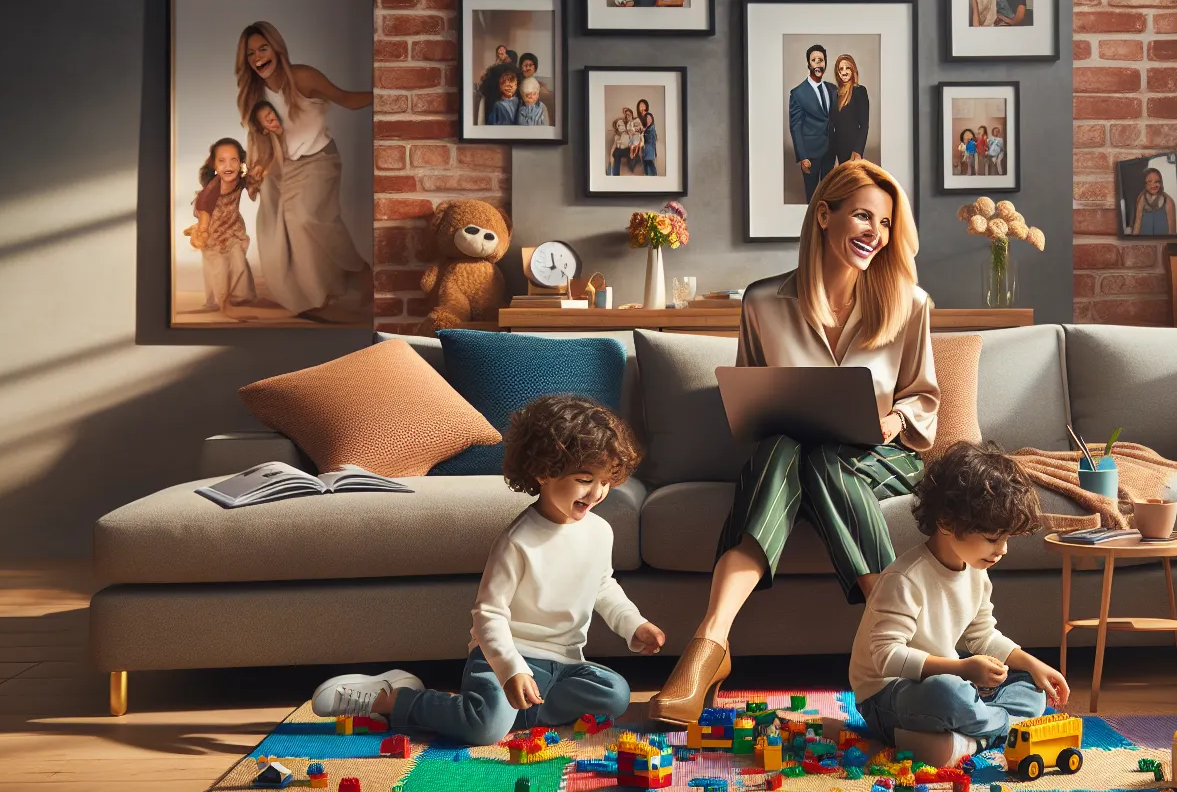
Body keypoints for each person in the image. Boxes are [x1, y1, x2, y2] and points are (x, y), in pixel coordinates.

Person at [649, 160, 937, 726]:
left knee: (821, 455)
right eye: (862, 215)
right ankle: (711, 643)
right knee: (788, 448)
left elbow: (923, 396)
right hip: (795, 456)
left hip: (883, 456)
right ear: (824, 216)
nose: (874, 233)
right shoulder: (761, 302)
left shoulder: (910, 303)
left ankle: (717, 648)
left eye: (884, 222)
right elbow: (756, 399)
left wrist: (891, 420)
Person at [307, 395, 666, 744]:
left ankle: (506, 712)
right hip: (502, 657)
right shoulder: (518, 541)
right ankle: (396, 698)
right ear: (544, 472)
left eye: (605, 481)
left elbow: (602, 585)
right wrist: (511, 669)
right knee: (483, 730)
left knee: (614, 694)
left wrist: (633, 624)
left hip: (563, 665)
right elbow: (488, 615)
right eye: (586, 480)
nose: (597, 492)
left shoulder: (600, 531)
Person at [850, 442, 1069, 765]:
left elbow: (983, 637)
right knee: (949, 695)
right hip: (888, 695)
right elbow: (885, 657)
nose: (1003, 550)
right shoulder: (905, 579)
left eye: (1006, 539)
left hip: (950, 678)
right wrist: (963, 668)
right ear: (947, 523)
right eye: (994, 539)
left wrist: (1031, 663)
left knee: (1028, 685)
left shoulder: (977, 572)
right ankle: (1007, 730)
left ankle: (965, 739)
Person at [235, 20, 370, 319]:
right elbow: (260, 142)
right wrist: (256, 174)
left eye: (262, 49)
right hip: (283, 167)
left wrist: (385, 95)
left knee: (306, 217)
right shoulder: (253, 96)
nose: (257, 58)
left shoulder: (303, 76)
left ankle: (361, 272)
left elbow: (346, 99)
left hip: (319, 158)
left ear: (276, 47)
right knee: (285, 230)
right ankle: (317, 296)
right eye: (250, 54)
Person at [183, 137, 257, 314]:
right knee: (219, 267)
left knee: (238, 261)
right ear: (214, 166)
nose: (228, 165)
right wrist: (202, 231)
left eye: (234, 160)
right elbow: (205, 212)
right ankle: (223, 303)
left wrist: (258, 179)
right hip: (212, 228)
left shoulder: (242, 178)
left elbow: (254, 191)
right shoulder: (212, 190)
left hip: (231, 226)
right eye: (222, 161)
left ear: (241, 163)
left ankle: (238, 296)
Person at [787, 44, 837, 203]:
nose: (818, 64)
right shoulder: (798, 93)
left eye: (821, 60)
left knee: (829, 193)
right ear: (808, 64)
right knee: (812, 197)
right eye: (814, 60)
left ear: (825, 63)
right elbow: (795, 126)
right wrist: (802, 156)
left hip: (831, 151)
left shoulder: (832, 89)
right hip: (810, 154)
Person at [828, 53, 870, 165]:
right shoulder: (835, 94)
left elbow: (864, 125)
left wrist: (858, 150)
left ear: (853, 70)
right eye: (841, 69)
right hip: (839, 149)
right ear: (838, 72)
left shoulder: (859, 91)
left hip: (854, 150)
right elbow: (832, 122)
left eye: (848, 68)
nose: (844, 72)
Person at [1129, 165, 1177, 236]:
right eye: (1149, 181)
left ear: (1161, 183)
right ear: (1144, 184)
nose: (1153, 185)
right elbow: (1137, 224)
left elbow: (1172, 232)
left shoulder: (1168, 201)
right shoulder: (1141, 198)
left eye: (1157, 181)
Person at [637, 98, 658, 176]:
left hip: (649, 140)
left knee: (649, 160)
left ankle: (653, 178)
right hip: (643, 141)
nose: (642, 107)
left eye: (643, 105)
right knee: (644, 161)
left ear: (646, 106)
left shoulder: (648, 115)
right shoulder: (639, 118)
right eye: (640, 106)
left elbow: (649, 125)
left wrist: (642, 130)